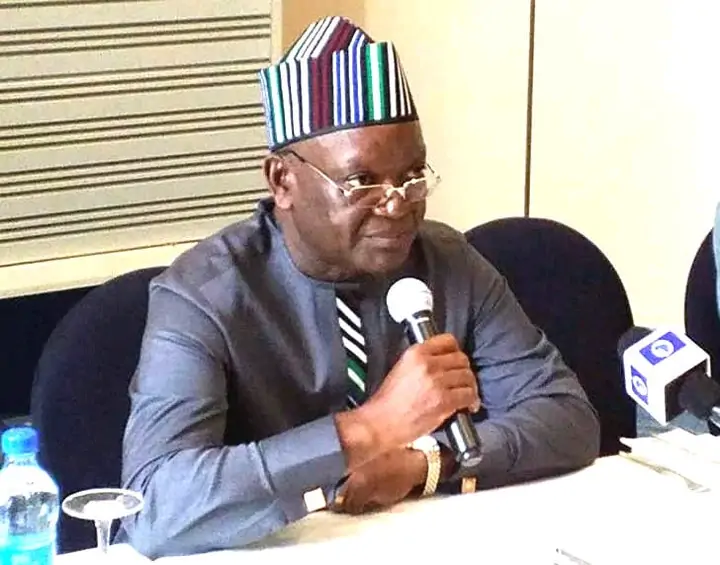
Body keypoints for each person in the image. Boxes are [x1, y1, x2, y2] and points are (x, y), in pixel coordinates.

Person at [116, 16, 600, 558]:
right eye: (361, 182)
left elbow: (567, 417)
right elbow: (154, 507)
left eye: (413, 176)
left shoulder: (448, 262)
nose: (396, 205)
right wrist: (367, 430)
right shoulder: (201, 296)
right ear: (282, 181)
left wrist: (425, 463)